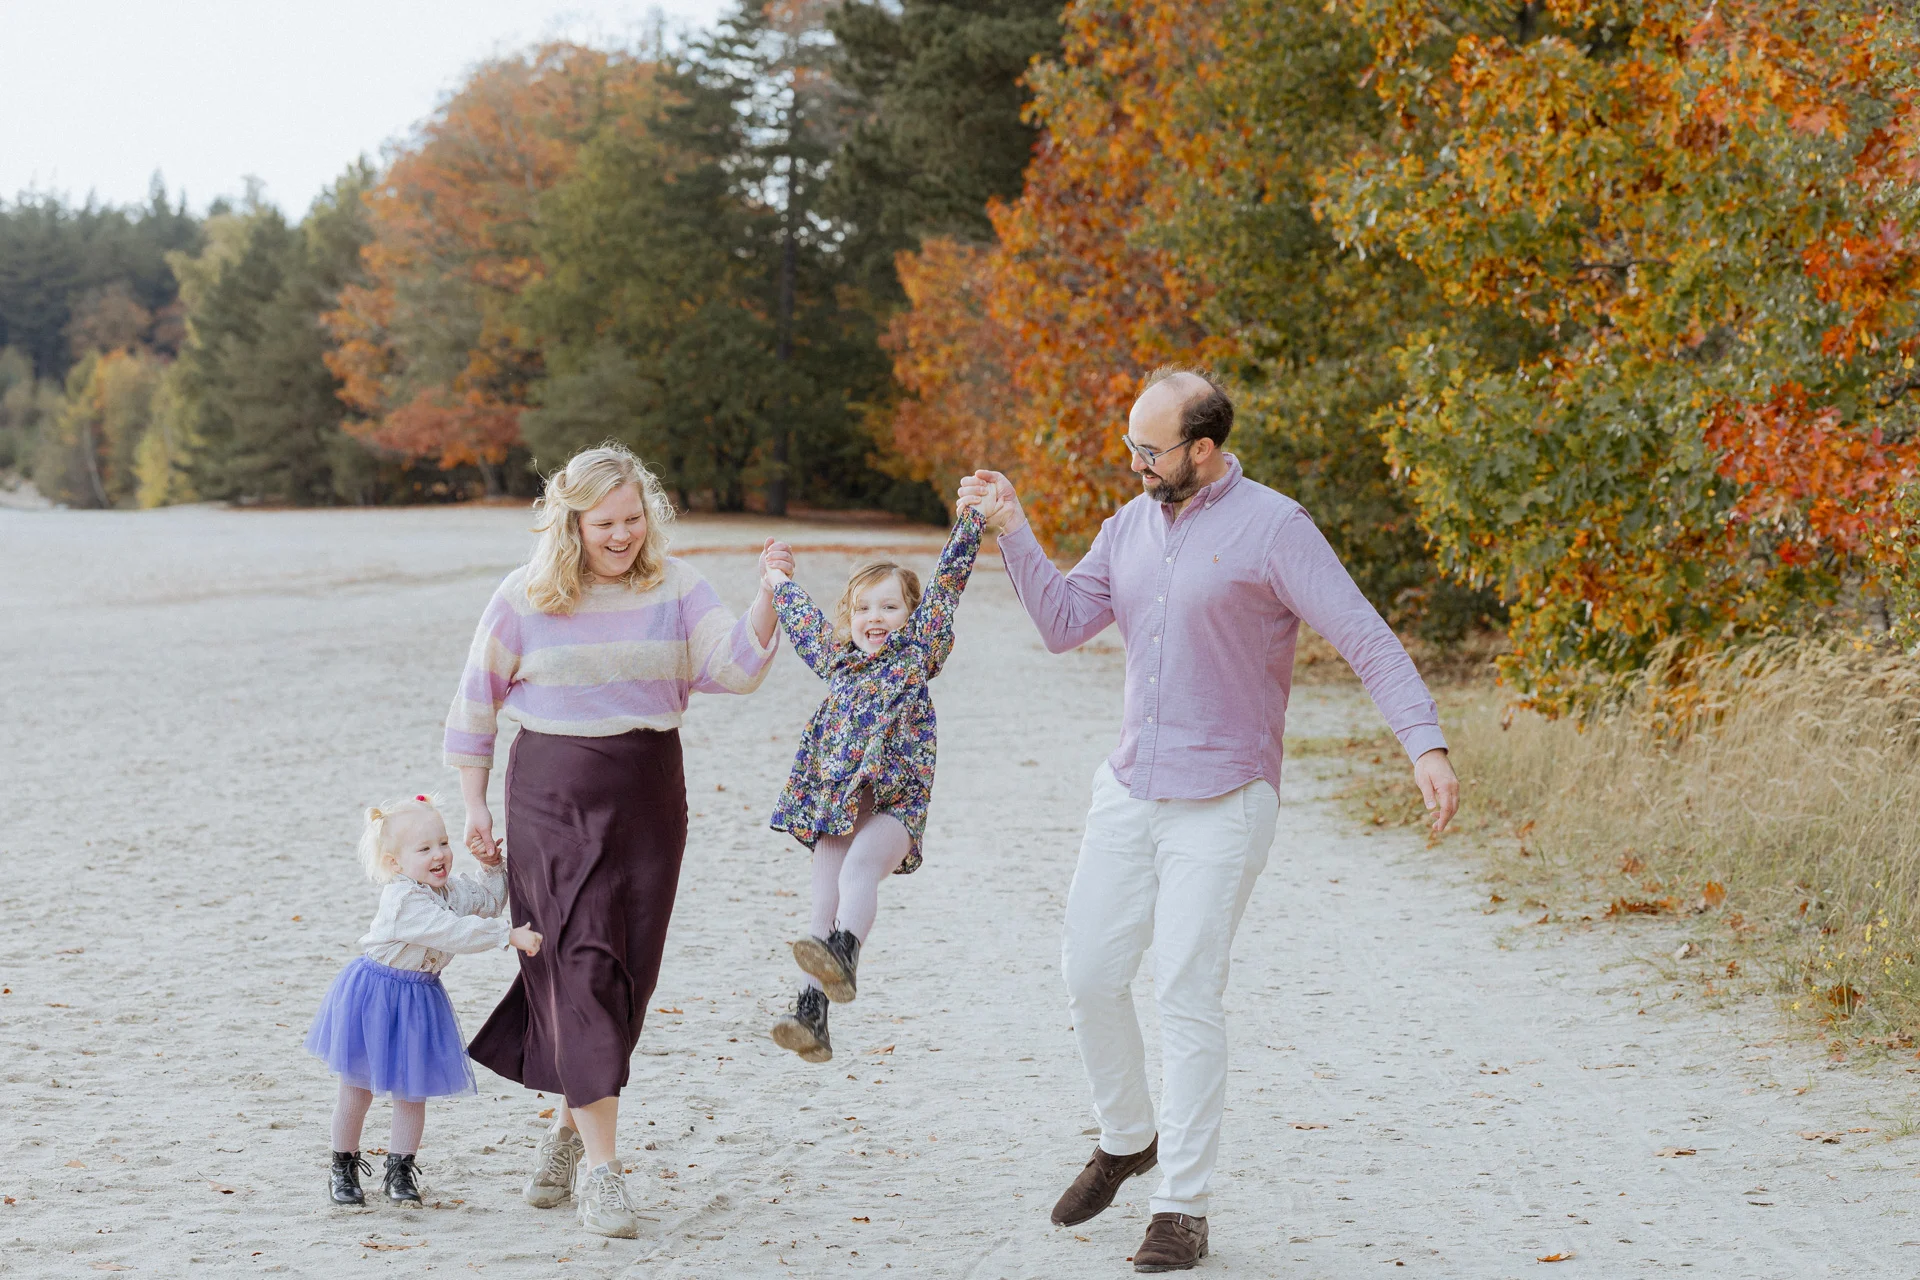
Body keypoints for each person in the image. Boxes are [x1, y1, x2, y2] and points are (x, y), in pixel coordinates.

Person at [960, 367, 1460, 1274]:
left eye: (1148, 452)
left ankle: (1181, 1206)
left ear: (1203, 448)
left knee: (1186, 989)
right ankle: (1127, 1138)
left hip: (1226, 797)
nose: (1135, 465)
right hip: (1130, 790)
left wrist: (1424, 743)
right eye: (1130, 449)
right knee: (1089, 975)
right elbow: (1066, 623)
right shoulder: (1130, 525)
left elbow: (1365, 637)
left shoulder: (1276, 528)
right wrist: (1015, 532)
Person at [445, 443, 790, 1239]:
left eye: (634, 518)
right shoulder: (523, 597)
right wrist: (474, 807)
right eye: (606, 522)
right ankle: (605, 1174)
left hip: (648, 799)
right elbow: (473, 706)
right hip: (550, 800)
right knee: (579, 968)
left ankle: (570, 1133)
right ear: (572, 522)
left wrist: (770, 595)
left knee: (625, 976)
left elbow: (736, 669)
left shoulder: (675, 587)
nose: (623, 534)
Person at [762, 489, 999, 1062]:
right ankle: (811, 1015)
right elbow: (802, 622)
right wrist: (776, 580)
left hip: (895, 805)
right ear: (851, 616)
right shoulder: (838, 660)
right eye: (865, 608)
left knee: (862, 869)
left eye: (890, 607)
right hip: (836, 803)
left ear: (913, 617)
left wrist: (971, 519)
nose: (876, 618)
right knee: (821, 907)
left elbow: (947, 584)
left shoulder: (917, 655)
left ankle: (847, 952)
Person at [305, 794, 542, 1208]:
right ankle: (342, 1166)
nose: (440, 855)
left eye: (444, 843)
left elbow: (486, 902)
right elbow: (454, 932)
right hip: (375, 997)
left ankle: (400, 1170)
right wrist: (507, 935)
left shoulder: (448, 890)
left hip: (418, 999)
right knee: (357, 1089)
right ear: (396, 863)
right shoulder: (403, 901)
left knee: (412, 1092)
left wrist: (490, 866)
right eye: (425, 848)